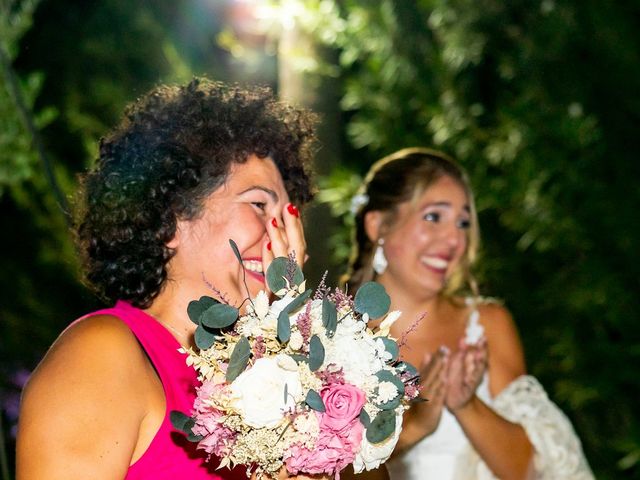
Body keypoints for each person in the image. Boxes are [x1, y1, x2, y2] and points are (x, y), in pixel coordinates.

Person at [16, 78, 331, 479]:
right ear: (172, 217)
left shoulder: (268, 381)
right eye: (258, 204)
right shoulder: (102, 354)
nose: (281, 235)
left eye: (288, 216)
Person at [343, 148, 594, 480]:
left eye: (463, 222)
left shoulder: (488, 325)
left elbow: (530, 469)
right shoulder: (329, 337)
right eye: (434, 217)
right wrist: (414, 428)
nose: (453, 239)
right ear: (378, 225)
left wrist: (466, 405)